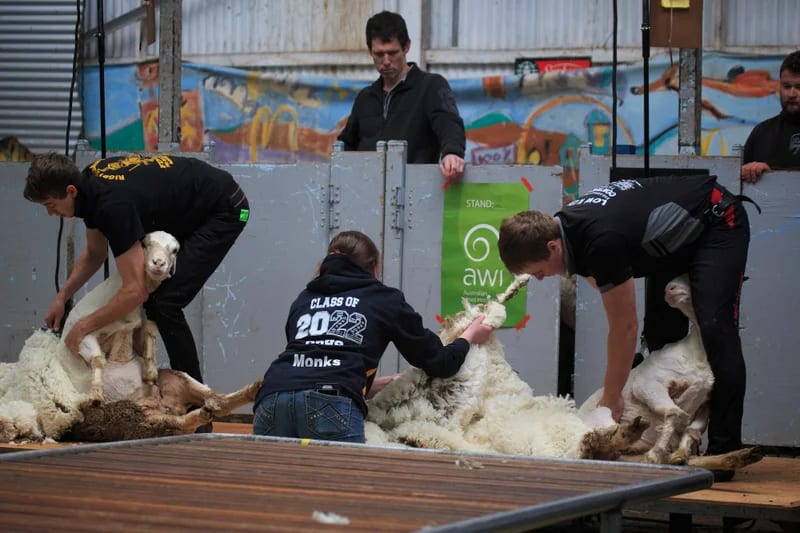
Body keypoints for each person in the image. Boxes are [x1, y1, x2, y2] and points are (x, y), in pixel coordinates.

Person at [497, 174, 752, 481]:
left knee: (716, 331)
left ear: (553, 247)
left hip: (717, 220)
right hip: (674, 239)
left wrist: (611, 397)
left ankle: (724, 451)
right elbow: (602, 282)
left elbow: (625, 328)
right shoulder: (564, 228)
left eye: (538, 272)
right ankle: (672, 444)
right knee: (660, 334)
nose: (540, 279)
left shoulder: (600, 240)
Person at [24, 153, 249, 387]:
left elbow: (135, 292)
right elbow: (94, 254)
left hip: (226, 207)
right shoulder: (89, 186)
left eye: (50, 205)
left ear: (70, 190)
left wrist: (82, 328)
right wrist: (62, 297)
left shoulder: (112, 206)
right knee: (154, 300)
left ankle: (194, 400)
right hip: (193, 202)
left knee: (164, 304)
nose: (50, 213)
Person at [252, 230, 494, 443]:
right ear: (375, 268)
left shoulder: (304, 298)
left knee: (276, 479)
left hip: (273, 397)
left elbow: (313, 360)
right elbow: (440, 363)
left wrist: (368, 386)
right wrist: (469, 335)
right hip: (330, 402)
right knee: (344, 481)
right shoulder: (382, 297)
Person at [337, 10, 466, 181]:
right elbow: (346, 144)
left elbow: (449, 123)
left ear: (406, 47)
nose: (386, 61)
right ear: (370, 51)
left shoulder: (431, 86)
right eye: (379, 54)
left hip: (416, 189)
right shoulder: (365, 98)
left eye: (392, 53)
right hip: (365, 191)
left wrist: (452, 152)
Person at [741, 50, 800, 182]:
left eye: (799, 87)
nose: (791, 94)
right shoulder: (762, 133)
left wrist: (772, 174)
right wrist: (752, 172)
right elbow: (740, 184)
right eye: (786, 86)